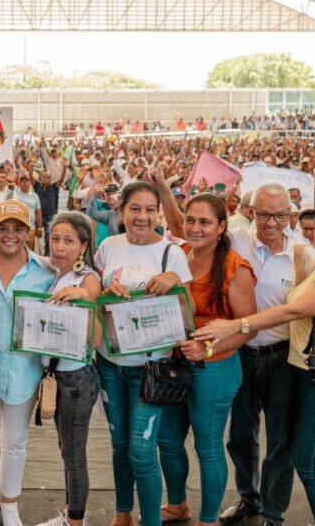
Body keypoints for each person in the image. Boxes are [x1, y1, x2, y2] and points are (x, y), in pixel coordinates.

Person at [195, 201, 315, 526]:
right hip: (303, 371)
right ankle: (254, 501)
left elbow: (294, 311)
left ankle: (278, 515)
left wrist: (237, 325)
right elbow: (191, 230)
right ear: (253, 213)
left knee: (306, 461)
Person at [94, 181, 192, 526]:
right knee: (120, 444)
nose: (143, 216)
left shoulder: (173, 254)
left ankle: (150, 520)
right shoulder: (107, 247)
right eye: (135, 208)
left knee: (141, 450)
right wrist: (106, 289)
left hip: (151, 368)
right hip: (110, 362)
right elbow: (96, 291)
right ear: (120, 212)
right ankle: (124, 513)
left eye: (151, 209)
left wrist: (173, 284)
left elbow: (186, 314)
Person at [156, 193, 258, 526]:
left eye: (205, 222)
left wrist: (208, 349)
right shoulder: (177, 255)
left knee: (208, 445)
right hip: (173, 363)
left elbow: (247, 329)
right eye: (190, 220)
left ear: (221, 227)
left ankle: (208, 518)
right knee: (168, 441)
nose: (195, 228)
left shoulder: (235, 267)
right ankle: (177, 505)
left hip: (216, 366)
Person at [0, 199, 55, 526]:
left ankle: (9, 503)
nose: (10, 235)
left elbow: (82, 277)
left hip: (23, 371)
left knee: (15, 443)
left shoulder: (45, 270)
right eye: (3, 228)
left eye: (18, 229)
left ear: (28, 233)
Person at [36, 212, 103, 526]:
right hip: (56, 373)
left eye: (68, 241)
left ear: (83, 245)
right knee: (67, 450)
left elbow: (93, 303)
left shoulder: (86, 277)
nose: (60, 247)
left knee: (74, 454)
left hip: (76, 376)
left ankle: (76, 520)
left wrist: (83, 297)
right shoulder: (51, 272)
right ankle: (70, 513)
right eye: (55, 239)